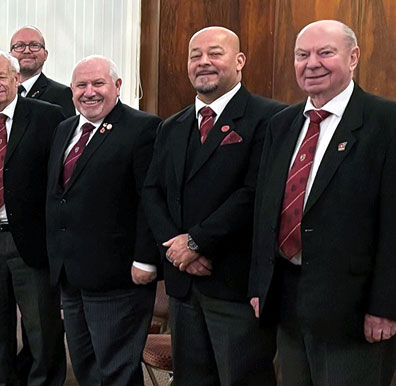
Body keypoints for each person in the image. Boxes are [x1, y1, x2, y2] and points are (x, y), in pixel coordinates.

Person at [250, 19, 396, 385]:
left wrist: (385, 307)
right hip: (288, 303)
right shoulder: (281, 124)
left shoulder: (386, 122)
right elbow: (265, 212)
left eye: (325, 52)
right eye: (302, 55)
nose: (311, 63)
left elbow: (394, 225)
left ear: (354, 57)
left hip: (355, 312)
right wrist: (259, 286)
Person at [141, 26, 284, 386]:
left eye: (215, 53)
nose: (204, 62)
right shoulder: (171, 126)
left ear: (239, 62)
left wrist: (196, 243)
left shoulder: (271, 119)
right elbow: (153, 191)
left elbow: (254, 193)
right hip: (184, 285)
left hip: (234, 284)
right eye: (195, 55)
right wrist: (176, 249)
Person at [45, 55, 160, 386]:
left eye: (98, 83)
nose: (89, 92)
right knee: (85, 365)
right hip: (71, 274)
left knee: (116, 369)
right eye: (81, 85)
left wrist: (145, 260)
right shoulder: (65, 129)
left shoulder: (144, 128)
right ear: (71, 91)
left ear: (118, 86)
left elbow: (149, 201)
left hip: (119, 276)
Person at [0, 50, 68, 386]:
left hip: (31, 239)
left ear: (16, 78)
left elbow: (58, 179)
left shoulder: (49, 117)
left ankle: (43, 381)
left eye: (1, 76)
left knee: (40, 324)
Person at [0, 26, 74, 116]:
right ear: (10, 55)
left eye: (34, 45)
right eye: (19, 46)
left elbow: (65, 131)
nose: (27, 51)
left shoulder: (61, 93)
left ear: (45, 54)